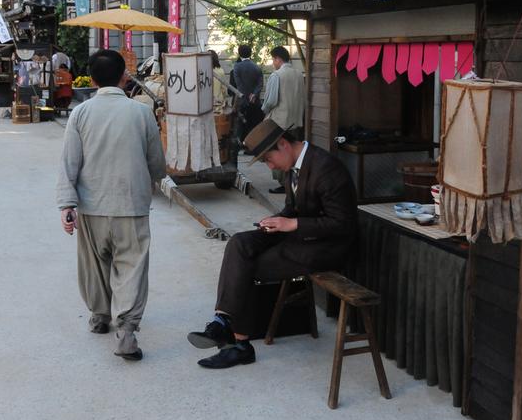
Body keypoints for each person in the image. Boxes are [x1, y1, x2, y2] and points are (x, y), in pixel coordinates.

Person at [187, 119, 358, 369]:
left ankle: (240, 343)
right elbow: (293, 208)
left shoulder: (327, 168)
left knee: (248, 265)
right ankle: (222, 321)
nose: (269, 166)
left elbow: (343, 224)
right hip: (302, 236)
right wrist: (277, 221)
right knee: (239, 244)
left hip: (329, 247)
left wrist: (293, 224)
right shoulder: (293, 168)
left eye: (268, 159)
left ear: (283, 144)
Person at [56, 49, 166, 361]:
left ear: (91, 79)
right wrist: (157, 177)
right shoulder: (141, 113)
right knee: (131, 266)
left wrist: (67, 204)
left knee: (95, 265)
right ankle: (127, 332)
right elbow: (156, 162)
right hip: (131, 204)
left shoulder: (80, 113)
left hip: (92, 206)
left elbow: (69, 163)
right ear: (123, 76)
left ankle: (99, 317)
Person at [260, 46, 305, 194]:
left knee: (279, 153)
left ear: (278, 59)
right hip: (296, 120)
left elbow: (271, 101)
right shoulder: (299, 74)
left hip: (279, 122)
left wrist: (264, 111)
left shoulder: (277, 75)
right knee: (294, 154)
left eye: (273, 59)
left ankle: (283, 184)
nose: (273, 62)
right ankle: (294, 184)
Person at [229, 44, 264, 144]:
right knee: (254, 125)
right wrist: (254, 94)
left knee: (240, 126)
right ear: (251, 53)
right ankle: (252, 146)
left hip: (242, 101)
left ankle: (240, 145)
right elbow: (260, 84)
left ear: (239, 54)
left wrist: (246, 95)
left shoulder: (237, 67)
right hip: (255, 101)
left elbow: (239, 84)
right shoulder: (256, 67)